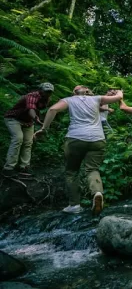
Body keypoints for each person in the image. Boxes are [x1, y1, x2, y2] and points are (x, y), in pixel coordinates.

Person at [34, 86, 123, 215]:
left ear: (74, 92)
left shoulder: (69, 100)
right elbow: (118, 98)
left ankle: (74, 205)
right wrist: (120, 91)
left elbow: (53, 109)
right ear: (85, 92)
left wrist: (44, 129)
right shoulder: (96, 99)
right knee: (92, 169)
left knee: (71, 172)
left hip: (75, 139)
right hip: (97, 139)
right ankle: (97, 192)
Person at [2, 83, 54, 178]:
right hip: (14, 119)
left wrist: (42, 121)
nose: (48, 93)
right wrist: (36, 119)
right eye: (46, 91)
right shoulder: (32, 96)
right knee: (18, 139)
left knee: (28, 142)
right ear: (40, 90)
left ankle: (23, 167)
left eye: (50, 92)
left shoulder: (47, 99)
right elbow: (31, 109)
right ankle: (8, 168)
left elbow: (39, 110)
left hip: (28, 122)